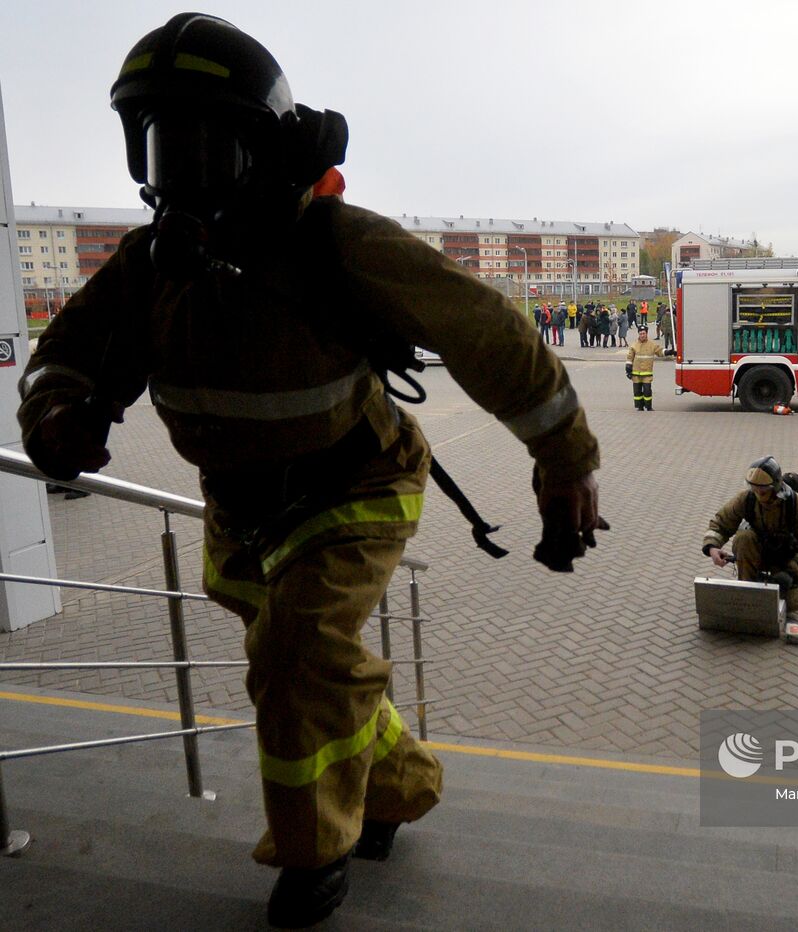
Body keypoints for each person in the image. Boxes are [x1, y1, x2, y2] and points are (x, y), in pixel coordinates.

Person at [18, 14, 606, 928]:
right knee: (313, 664)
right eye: (168, 149)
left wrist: (565, 461)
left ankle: (313, 852)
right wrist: (55, 413)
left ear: (262, 150)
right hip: (242, 512)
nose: (187, 179)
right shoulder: (146, 267)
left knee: (293, 655)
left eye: (209, 148)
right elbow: (66, 354)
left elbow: (490, 332)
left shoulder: (338, 243)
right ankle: (401, 783)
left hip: (356, 486)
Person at [702, 456, 798, 612]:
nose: (758, 494)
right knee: (744, 537)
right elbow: (721, 523)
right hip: (757, 552)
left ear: (776, 487)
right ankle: (748, 588)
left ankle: (778, 581)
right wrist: (712, 547)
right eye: (754, 489)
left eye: (763, 491)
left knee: (792, 604)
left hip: (785, 560)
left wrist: (791, 573)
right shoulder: (746, 498)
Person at [625, 324, 668, 411]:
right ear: (638, 334)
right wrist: (628, 369)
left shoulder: (651, 344)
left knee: (647, 391)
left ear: (646, 334)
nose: (642, 335)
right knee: (637, 392)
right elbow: (629, 358)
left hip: (647, 374)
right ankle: (640, 407)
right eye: (640, 333)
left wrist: (669, 352)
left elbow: (659, 351)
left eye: (644, 333)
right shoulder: (634, 345)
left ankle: (648, 406)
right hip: (636, 374)